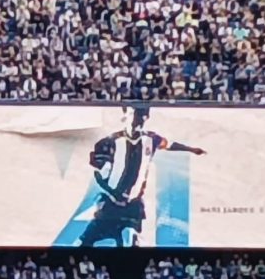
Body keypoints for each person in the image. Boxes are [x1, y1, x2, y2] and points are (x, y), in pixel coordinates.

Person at [72, 106, 206, 247]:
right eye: (133, 114)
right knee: (84, 241)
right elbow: (98, 168)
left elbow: (168, 144)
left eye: (140, 115)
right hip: (111, 206)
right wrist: (108, 184)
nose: (136, 120)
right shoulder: (110, 141)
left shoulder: (151, 139)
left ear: (146, 118)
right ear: (125, 115)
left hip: (133, 207)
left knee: (131, 242)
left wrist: (191, 149)